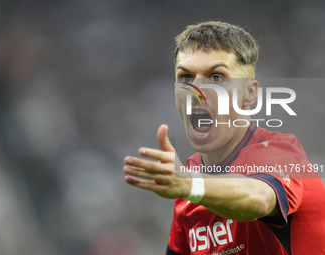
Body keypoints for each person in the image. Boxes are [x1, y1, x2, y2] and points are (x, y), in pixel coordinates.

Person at [123, 21, 325, 255]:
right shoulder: (189, 179)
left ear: (249, 94)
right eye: (186, 77)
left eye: (216, 77)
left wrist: (191, 185)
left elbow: (258, 199)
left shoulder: (281, 151)